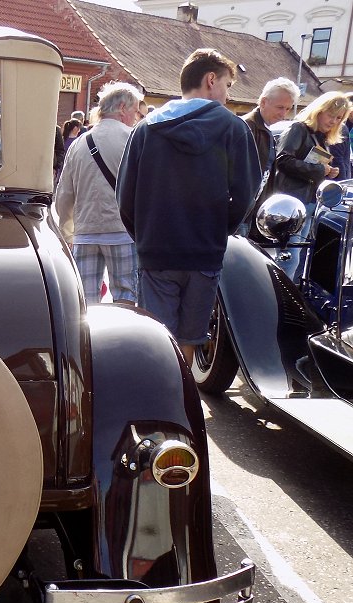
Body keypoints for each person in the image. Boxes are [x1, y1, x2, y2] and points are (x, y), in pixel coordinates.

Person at [117, 48, 260, 366]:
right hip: (204, 251)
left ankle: (161, 394)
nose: (227, 95)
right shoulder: (234, 128)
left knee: (157, 337)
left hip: (157, 250)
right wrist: (219, 231)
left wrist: (145, 236)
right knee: (189, 339)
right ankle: (183, 394)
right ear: (211, 80)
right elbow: (246, 194)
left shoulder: (146, 128)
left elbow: (125, 196)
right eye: (227, 85)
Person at [55, 81, 144, 304]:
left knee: (84, 302)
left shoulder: (78, 144)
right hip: (122, 233)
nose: (136, 118)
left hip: (85, 233)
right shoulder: (133, 139)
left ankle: (89, 330)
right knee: (125, 296)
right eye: (135, 111)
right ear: (122, 108)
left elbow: (64, 195)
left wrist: (68, 232)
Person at [274, 91, 351, 280]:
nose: (334, 121)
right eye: (331, 115)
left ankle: (289, 293)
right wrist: (319, 170)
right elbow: (283, 160)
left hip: (308, 203)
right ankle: (281, 295)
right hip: (291, 204)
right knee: (289, 259)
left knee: (297, 258)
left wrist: (328, 172)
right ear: (319, 111)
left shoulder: (321, 136)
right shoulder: (298, 128)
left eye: (339, 118)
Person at [239, 78, 300, 237]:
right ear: (263, 102)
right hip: (238, 214)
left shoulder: (266, 130)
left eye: (288, 109)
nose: (283, 114)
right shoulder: (245, 127)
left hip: (249, 213)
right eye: (280, 107)